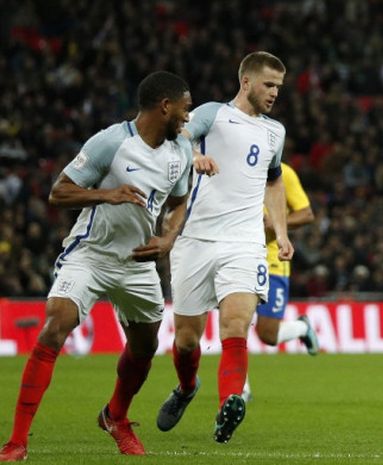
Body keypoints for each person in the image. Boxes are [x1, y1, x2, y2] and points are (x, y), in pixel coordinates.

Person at [0, 71, 193, 461]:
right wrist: (107, 194)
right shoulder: (112, 142)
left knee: (146, 345)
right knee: (56, 325)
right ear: (165, 106)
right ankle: (17, 442)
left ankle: (115, 417)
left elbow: (179, 204)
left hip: (138, 263)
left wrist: (168, 240)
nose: (188, 118)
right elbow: (59, 192)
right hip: (91, 254)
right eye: (186, 109)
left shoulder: (181, 153)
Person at [155, 51, 294, 444]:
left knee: (235, 323)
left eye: (278, 88)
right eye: (268, 85)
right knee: (186, 339)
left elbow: (274, 181)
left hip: (244, 242)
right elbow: (176, 133)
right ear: (246, 82)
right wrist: (194, 155)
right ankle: (185, 388)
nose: (274, 94)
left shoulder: (274, 132)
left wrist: (281, 232)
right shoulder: (213, 113)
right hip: (195, 239)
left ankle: (228, 404)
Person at [242, 161, 318, 402]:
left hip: (273, 261)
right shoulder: (239, 166)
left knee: (267, 335)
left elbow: (306, 213)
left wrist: (276, 224)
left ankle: (302, 328)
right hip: (240, 256)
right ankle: (240, 389)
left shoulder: (285, 173)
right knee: (235, 322)